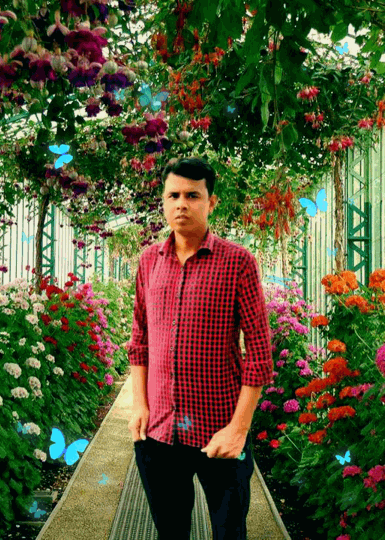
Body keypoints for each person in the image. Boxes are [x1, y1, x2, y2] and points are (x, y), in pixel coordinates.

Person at [125, 156, 273, 540]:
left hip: (220, 431)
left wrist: (238, 430)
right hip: (159, 434)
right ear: (162, 201)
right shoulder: (148, 262)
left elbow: (259, 355)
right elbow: (139, 340)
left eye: (193, 195)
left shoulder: (238, 263)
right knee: (170, 531)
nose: (181, 204)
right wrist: (140, 405)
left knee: (229, 532)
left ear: (211, 202)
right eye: (173, 195)